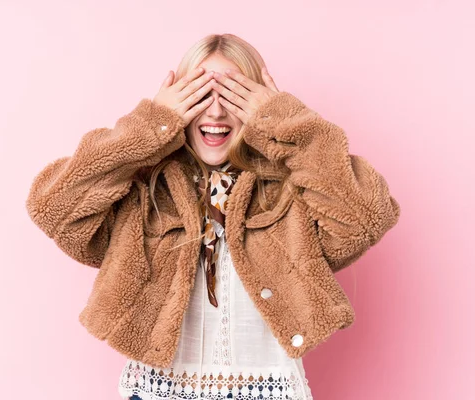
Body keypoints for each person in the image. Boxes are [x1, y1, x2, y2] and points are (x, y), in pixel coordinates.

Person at [25, 33, 401, 400]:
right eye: (201, 95)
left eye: (233, 97)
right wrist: (148, 127)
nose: (217, 112)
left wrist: (288, 124)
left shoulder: (291, 191)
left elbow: (366, 216)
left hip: (267, 389)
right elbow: (54, 208)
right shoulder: (145, 190)